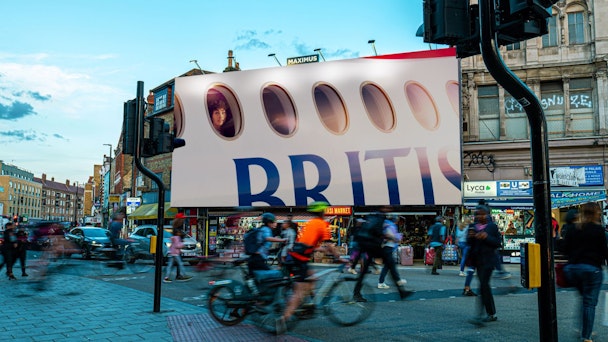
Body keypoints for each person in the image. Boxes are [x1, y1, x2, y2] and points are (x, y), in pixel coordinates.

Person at [276, 201, 344, 335]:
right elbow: (330, 244)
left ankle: (308, 305)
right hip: (300, 259)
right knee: (299, 292)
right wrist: (338, 257)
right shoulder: (322, 224)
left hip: (297, 256)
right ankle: (283, 319)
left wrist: (322, 250)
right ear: (322, 212)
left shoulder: (310, 223)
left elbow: (307, 243)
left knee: (312, 278)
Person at [560, 202, 608, 342]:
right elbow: (604, 252)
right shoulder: (598, 230)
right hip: (591, 269)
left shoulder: (573, 229)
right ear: (596, 214)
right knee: (589, 303)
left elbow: (565, 249)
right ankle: (586, 336)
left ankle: (581, 328)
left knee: (584, 299)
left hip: (573, 270)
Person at [353, 207, 411, 302]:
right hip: (373, 245)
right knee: (390, 264)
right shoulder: (380, 217)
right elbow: (377, 232)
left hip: (366, 245)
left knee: (365, 271)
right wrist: (391, 237)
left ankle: (356, 293)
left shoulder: (371, 215)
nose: (389, 208)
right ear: (382, 208)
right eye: (387, 207)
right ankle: (401, 291)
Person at [467, 204, 502, 325]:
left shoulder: (492, 227)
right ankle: (491, 313)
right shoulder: (472, 226)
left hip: (489, 261)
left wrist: (486, 237)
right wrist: (471, 237)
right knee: (484, 286)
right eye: (477, 214)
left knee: (483, 285)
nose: (479, 216)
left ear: (487, 215)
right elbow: (469, 243)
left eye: (482, 214)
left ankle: (480, 315)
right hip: (478, 261)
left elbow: (498, 243)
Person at [247, 213, 286, 277]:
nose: (276, 223)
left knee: (254, 278)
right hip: (258, 258)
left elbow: (264, 244)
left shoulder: (262, 229)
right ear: (269, 223)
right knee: (270, 277)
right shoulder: (266, 229)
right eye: (274, 222)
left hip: (254, 258)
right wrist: (282, 240)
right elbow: (267, 238)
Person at [377, 215, 405, 289]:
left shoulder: (388, 225)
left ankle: (396, 280)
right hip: (388, 247)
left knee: (388, 265)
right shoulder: (390, 226)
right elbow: (387, 235)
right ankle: (382, 282)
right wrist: (395, 238)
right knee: (388, 265)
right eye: (397, 220)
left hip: (388, 247)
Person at [163, 216, 193, 283]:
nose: (180, 233)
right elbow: (177, 245)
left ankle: (167, 277)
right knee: (180, 264)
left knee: (170, 265)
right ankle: (183, 275)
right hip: (175, 253)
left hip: (172, 252)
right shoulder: (176, 237)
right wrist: (183, 244)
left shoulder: (174, 236)